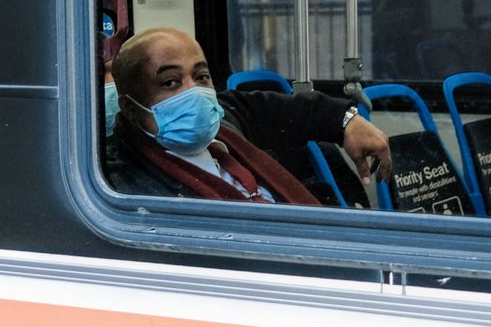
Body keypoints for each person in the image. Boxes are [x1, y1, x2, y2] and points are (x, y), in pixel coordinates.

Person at [105, 28, 391, 205]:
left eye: (201, 77)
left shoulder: (226, 120)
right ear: (130, 108)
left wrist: (345, 120)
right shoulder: (123, 186)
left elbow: (285, 110)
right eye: (170, 83)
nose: (194, 92)